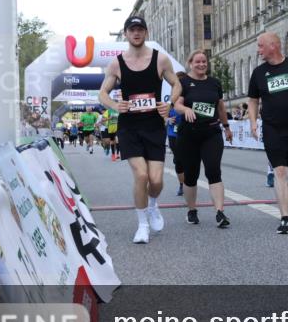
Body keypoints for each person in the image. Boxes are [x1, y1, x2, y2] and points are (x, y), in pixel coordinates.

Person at [98, 15, 181, 245]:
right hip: (130, 128)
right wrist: (116, 105)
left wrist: (169, 103)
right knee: (141, 175)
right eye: (132, 30)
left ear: (146, 33)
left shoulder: (160, 59)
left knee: (156, 181)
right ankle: (142, 225)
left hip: (154, 126)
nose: (136, 33)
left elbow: (177, 84)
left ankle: (153, 205)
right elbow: (102, 94)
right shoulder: (116, 63)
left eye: (140, 30)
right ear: (125, 33)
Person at [248, 32, 288, 234]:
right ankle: (284, 215)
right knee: (280, 171)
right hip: (272, 129)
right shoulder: (259, 73)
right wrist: (252, 122)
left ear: (273, 46)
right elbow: (252, 99)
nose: (258, 50)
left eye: (260, 46)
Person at [175, 50, 233, 228]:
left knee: (213, 170)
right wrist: (186, 110)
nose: (201, 64)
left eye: (204, 62)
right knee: (191, 175)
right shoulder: (183, 82)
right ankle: (192, 210)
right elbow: (176, 104)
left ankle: (220, 212)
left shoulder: (214, 83)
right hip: (189, 134)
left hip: (211, 132)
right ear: (190, 63)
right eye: (197, 62)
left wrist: (226, 127)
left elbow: (221, 108)